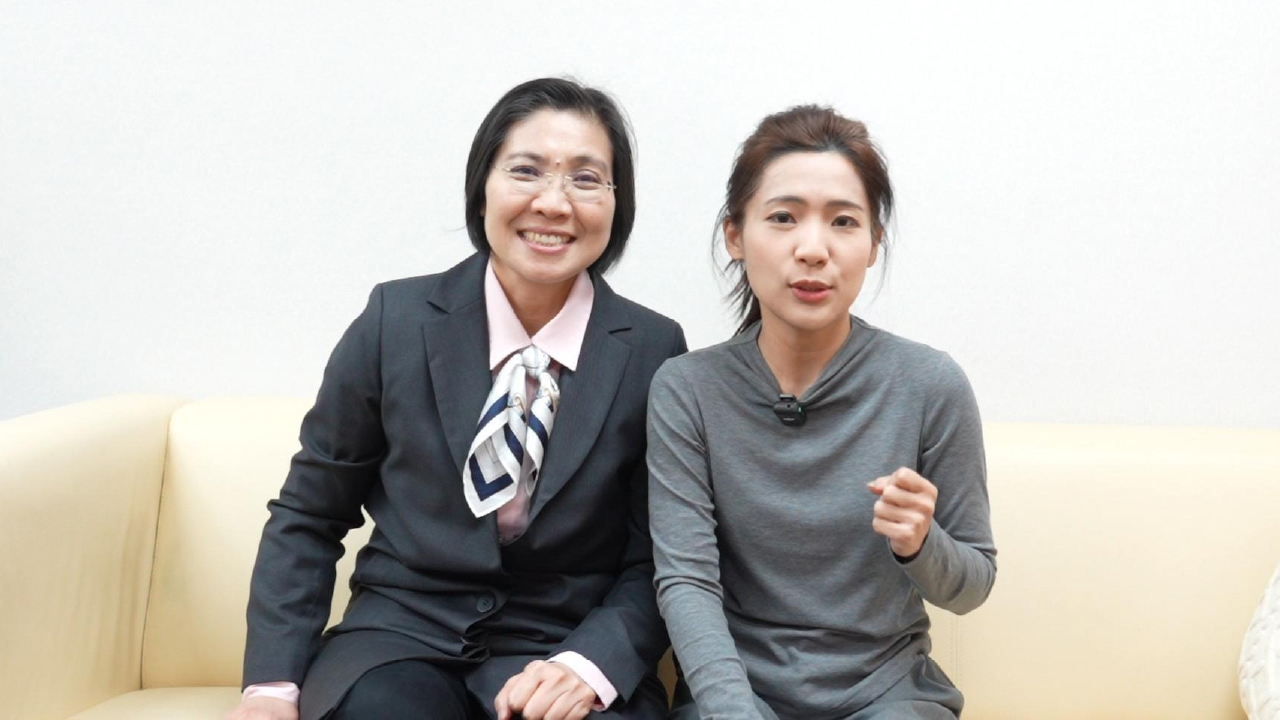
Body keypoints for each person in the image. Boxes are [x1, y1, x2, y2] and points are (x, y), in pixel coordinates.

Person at [226, 77, 685, 720]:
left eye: (586, 179)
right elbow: (310, 513)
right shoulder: (395, 321)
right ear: (482, 186)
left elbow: (661, 555)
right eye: (526, 171)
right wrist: (271, 690)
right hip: (400, 641)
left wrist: (591, 664)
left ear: (617, 203)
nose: (553, 203)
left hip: (562, 647)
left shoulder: (655, 350)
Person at [647, 105, 996, 720]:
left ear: (873, 244)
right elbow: (686, 581)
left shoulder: (929, 384)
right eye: (783, 217)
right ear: (735, 235)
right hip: (736, 697)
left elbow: (972, 587)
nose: (813, 249)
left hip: (889, 697)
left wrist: (921, 542)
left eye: (844, 221)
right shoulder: (687, 389)